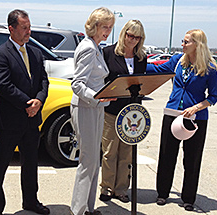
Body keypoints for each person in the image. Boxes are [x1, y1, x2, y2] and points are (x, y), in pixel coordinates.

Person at [147, 29, 217, 211]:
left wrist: (196, 107)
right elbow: (156, 69)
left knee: (192, 159)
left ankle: (188, 198)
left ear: (197, 44)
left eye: (186, 42)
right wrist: (133, 63)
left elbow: (213, 97)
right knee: (167, 155)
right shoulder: (177, 61)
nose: (183, 44)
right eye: (183, 41)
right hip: (172, 114)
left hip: (196, 118)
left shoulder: (209, 68)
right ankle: (162, 193)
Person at [0, 9, 50, 215]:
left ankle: (30, 201)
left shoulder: (35, 53)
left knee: (31, 164)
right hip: (9, 121)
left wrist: (39, 100)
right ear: (11, 29)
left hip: (32, 121)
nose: (28, 31)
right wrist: (27, 103)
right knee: (0, 167)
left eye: (29, 27)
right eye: (24, 28)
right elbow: (3, 85)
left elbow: (43, 81)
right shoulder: (0, 53)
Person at [70, 7, 116, 215]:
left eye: (110, 27)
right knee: (87, 161)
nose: (107, 31)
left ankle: (88, 207)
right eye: (104, 26)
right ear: (94, 26)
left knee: (93, 160)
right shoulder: (88, 48)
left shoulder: (95, 46)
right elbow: (77, 84)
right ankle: (78, 210)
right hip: (86, 108)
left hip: (96, 107)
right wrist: (98, 97)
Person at [99, 20, 147, 203]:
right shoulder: (108, 53)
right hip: (112, 110)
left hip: (132, 112)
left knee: (126, 153)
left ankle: (121, 189)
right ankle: (106, 187)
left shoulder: (141, 57)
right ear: (123, 33)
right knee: (109, 151)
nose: (133, 40)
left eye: (137, 37)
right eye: (130, 35)